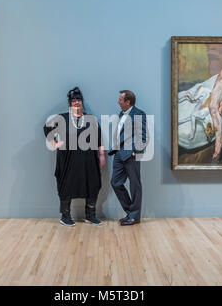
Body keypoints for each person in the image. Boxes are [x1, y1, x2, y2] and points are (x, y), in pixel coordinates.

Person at [44, 87, 105, 226]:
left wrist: (101, 154)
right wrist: (55, 143)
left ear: (82, 102)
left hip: (89, 160)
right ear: (69, 103)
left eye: (79, 100)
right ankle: (65, 216)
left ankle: (90, 215)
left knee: (92, 184)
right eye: (74, 101)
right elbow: (46, 128)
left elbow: (99, 138)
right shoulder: (62, 118)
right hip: (68, 160)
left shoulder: (90, 119)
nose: (77, 103)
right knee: (66, 186)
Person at [108, 90, 147, 226]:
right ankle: (131, 213)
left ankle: (134, 216)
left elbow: (143, 136)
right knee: (116, 183)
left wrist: (136, 151)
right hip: (119, 154)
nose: (118, 101)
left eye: (120, 99)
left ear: (127, 102)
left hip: (131, 154)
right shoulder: (121, 114)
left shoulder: (138, 114)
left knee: (135, 186)